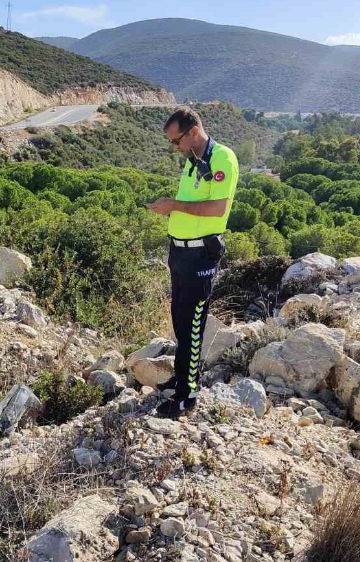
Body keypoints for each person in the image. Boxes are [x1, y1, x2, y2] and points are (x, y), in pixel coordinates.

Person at [146, 107, 239, 419]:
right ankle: (183, 377)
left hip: (200, 254)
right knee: (179, 320)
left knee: (192, 323)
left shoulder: (222, 158)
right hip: (180, 252)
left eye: (177, 141)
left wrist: (173, 205)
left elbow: (215, 208)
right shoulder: (192, 161)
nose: (176, 147)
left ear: (193, 131)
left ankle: (187, 397)